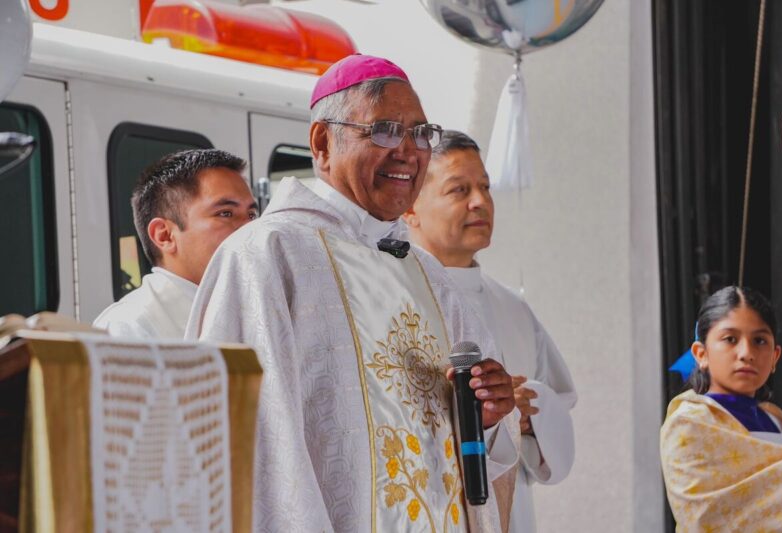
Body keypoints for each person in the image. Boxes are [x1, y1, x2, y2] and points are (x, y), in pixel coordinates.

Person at [187, 55, 520, 532]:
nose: (408, 151)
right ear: (323, 143)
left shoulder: (428, 275)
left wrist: (487, 418)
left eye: (420, 133)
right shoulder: (267, 255)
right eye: (385, 130)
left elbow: (466, 453)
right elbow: (250, 444)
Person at [403, 130, 577, 533]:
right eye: (459, 189)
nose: (480, 201)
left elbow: (558, 402)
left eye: (484, 187)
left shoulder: (512, 307)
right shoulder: (396, 301)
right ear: (411, 207)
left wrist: (525, 413)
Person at [661, 286, 782, 530]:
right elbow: (704, 516)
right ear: (701, 354)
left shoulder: (777, 419)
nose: (746, 353)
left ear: (775, 357)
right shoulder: (689, 423)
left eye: (759, 341)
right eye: (730, 339)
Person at [94, 149, 257, 338]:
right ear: (165, 236)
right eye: (226, 213)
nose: (251, 229)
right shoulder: (128, 327)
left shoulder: (250, 310)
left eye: (252, 215)